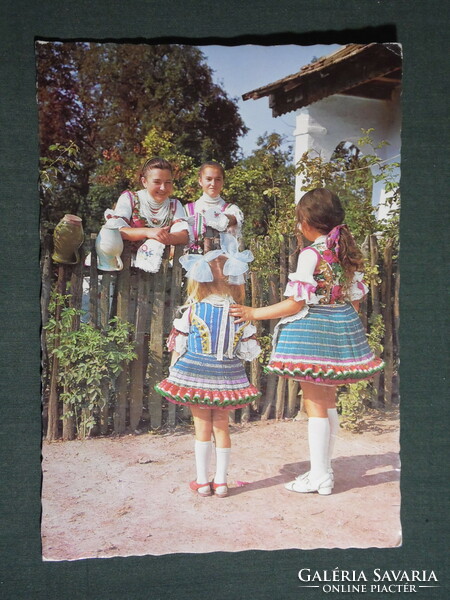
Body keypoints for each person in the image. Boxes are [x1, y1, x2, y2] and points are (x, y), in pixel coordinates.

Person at [229, 188, 384, 496]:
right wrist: (341, 330)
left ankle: (321, 475)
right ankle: (322, 470)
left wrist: (252, 313)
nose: (298, 227)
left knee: (314, 405)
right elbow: (353, 302)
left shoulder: (311, 254)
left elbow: (295, 304)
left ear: (309, 222)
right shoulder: (343, 253)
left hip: (313, 333)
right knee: (327, 404)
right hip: (339, 329)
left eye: (300, 221)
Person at [155, 234, 261, 498]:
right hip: (227, 375)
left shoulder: (191, 311)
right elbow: (248, 352)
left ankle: (203, 482)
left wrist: (174, 373)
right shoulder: (240, 313)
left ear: (198, 280)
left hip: (196, 374)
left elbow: (178, 347)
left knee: (201, 427)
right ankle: (222, 482)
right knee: (222, 426)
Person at [185, 161, 244, 253]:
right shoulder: (188, 210)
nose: (213, 183)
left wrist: (220, 218)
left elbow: (233, 221)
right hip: (193, 263)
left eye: (217, 179)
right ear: (200, 181)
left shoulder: (232, 210)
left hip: (224, 263)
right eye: (208, 179)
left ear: (223, 182)